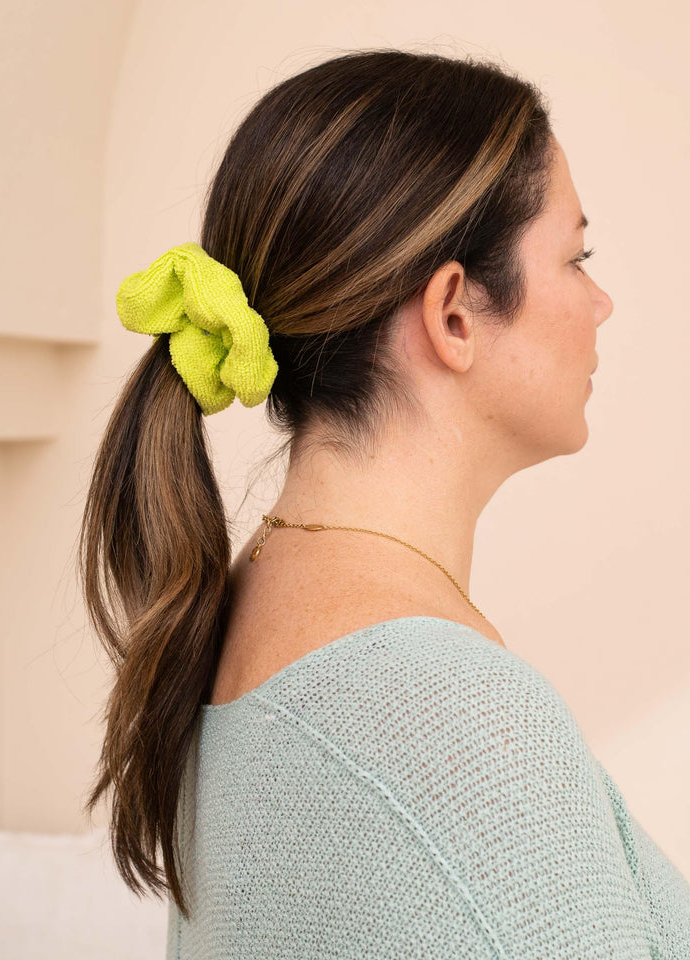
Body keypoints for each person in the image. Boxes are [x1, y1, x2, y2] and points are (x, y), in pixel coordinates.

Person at [78, 49, 690, 957]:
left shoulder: (239, 616)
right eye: (576, 256)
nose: (600, 303)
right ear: (453, 314)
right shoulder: (461, 725)